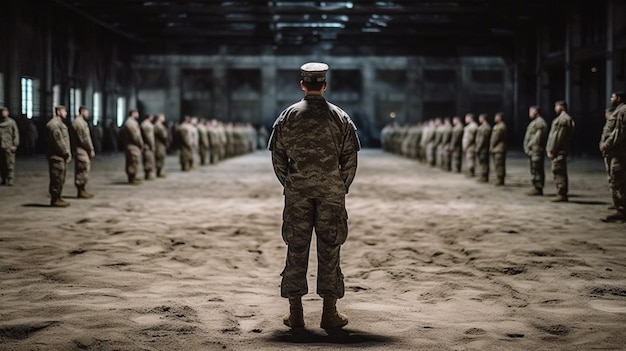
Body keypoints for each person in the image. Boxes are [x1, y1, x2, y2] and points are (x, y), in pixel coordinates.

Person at [269, 62, 360, 330]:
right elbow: (350, 160)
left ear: (302, 85)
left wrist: (292, 182)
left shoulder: (287, 117)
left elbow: (277, 158)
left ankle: (295, 313)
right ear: (324, 85)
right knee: (330, 249)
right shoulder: (340, 117)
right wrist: (338, 185)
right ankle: (329, 313)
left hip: (297, 193)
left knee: (296, 248)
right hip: (331, 194)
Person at [599, 91, 626, 222]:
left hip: (619, 153)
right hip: (615, 152)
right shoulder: (619, 110)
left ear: (619, 98)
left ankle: (622, 211)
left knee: (618, 180)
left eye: (613, 96)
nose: (611, 98)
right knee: (616, 180)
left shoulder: (623, 111)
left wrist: (606, 144)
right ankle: (620, 207)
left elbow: (618, 132)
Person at [546, 100, 575, 202]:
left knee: (559, 171)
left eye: (556, 107)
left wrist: (552, 150)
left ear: (561, 107)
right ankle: (561, 192)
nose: (555, 109)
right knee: (558, 170)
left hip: (559, 151)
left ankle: (562, 193)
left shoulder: (562, 120)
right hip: (560, 150)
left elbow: (558, 137)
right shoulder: (563, 119)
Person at [46, 106, 72, 207]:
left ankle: (58, 197)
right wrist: (66, 152)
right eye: (64, 111)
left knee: (61, 177)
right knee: (56, 177)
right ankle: (55, 199)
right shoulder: (54, 125)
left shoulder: (60, 124)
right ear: (58, 112)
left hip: (61, 156)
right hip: (56, 155)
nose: (66, 113)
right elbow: (58, 141)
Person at [71, 105, 96, 198]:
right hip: (81, 150)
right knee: (82, 169)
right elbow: (84, 139)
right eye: (86, 112)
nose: (88, 114)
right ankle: (80, 190)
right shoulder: (79, 123)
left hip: (82, 150)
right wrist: (90, 149)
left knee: (84, 169)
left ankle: (83, 189)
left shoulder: (81, 122)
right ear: (82, 111)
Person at [523, 106, 548, 195]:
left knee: (537, 168)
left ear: (536, 112)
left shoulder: (540, 123)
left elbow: (538, 138)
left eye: (531, 111)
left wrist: (529, 145)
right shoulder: (535, 122)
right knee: (534, 168)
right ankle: (536, 187)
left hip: (536, 149)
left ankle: (538, 187)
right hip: (533, 150)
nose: (529, 113)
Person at [122, 109, 144, 184]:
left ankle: (133, 177)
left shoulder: (131, 122)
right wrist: (140, 144)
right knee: (133, 161)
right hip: (133, 145)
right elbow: (135, 136)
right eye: (137, 113)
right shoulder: (131, 123)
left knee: (133, 161)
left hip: (132, 145)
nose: (138, 114)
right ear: (133, 114)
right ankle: (132, 178)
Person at [0, 107, 20, 186]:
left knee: (10, 163)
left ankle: (10, 178)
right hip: (1, 146)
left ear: (7, 113)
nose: (3, 113)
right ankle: (3, 178)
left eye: (5, 112)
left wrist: (15, 145)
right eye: (2, 112)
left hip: (9, 146)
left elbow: (16, 134)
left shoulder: (11, 122)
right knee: (2, 164)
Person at [489, 112, 507, 186]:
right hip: (497, 148)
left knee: (499, 164)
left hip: (499, 148)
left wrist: (491, 146)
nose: (494, 118)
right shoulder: (499, 126)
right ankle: (499, 178)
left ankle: (500, 179)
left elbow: (496, 138)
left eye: (496, 117)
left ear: (499, 117)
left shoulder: (501, 127)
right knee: (497, 164)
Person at [475, 113, 492, 183]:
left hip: (483, 148)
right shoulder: (482, 127)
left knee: (484, 163)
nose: (479, 119)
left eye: (480, 118)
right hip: (481, 148)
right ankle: (483, 176)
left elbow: (483, 139)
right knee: (482, 163)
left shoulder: (485, 127)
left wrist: (478, 148)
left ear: (483, 118)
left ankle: (484, 177)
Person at [140, 114, 156, 180]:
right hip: (147, 146)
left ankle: (148, 174)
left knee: (149, 160)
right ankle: (148, 174)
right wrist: (152, 145)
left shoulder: (146, 124)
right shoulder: (146, 125)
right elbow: (149, 137)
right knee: (148, 160)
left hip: (147, 145)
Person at [154, 113, 168, 178]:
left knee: (161, 158)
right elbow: (163, 136)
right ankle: (158, 172)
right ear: (159, 118)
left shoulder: (159, 125)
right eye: (162, 117)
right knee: (160, 157)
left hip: (160, 144)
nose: (164, 118)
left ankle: (159, 172)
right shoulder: (158, 126)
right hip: (159, 144)